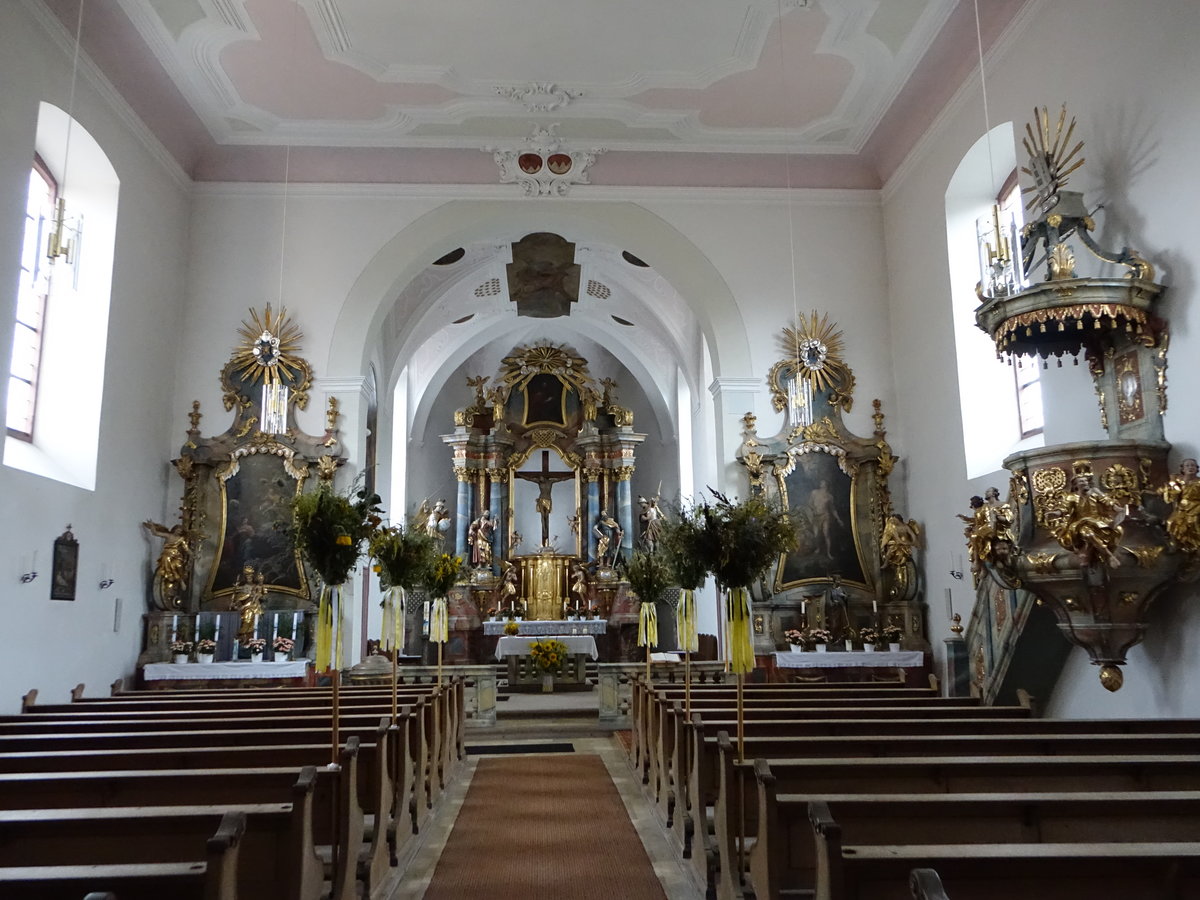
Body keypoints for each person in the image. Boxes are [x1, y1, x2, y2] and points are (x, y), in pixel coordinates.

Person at [1047, 472, 1124, 567]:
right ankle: (1109, 556)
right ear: (1076, 485)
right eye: (1081, 481)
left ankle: (1095, 553)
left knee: (1119, 530)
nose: (1084, 482)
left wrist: (1118, 509)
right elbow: (1064, 508)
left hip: (1099, 521)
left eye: (1085, 480)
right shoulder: (1071, 497)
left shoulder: (1095, 492)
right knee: (1087, 533)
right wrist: (1056, 513)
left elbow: (1107, 501)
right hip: (1081, 523)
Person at [143, 519, 192, 610]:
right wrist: (152, 527)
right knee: (167, 559)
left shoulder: (181, 539)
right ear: (174, 529)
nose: (179, 531)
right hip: (167, 555)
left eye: (180, 531)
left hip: (177, 557)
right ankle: (179, 581)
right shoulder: (168, 535)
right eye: (177, 529)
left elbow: (186, 549)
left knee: (178, 565)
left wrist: (193, 554)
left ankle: (180, 580)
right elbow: (156, 533)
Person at [1162, 458, 1200, 553]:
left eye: (1193, 465)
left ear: (1197, 469)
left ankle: (1195, 546)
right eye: (1187, 466)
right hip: (1182, 507)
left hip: (1196, 506)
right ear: (1182, 469)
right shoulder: (1179, 481)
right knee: (1171, 522)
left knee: (1192, 523)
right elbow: (1172, 495)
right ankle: (1176, 545)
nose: (1190, 467)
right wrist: (1171, 485)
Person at [809, 478, 846, 560]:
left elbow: (833, 509)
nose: (822, 484)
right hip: (816, 516)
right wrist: (813, 509)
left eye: (824, 483)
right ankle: (818, 548)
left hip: (825, 516)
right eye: (821, 483)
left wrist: (838, 519)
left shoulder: (829, 496)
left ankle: (829, 553)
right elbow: (810, 503)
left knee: (826, 534)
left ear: (826, 485)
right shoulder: (814, 493)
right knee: (816, 535)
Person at [232, 564, 266, 644]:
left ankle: (252, 640)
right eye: (247, 577)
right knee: (247, 621)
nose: (249, 578)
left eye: (250, 576)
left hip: (255, 606)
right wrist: (238, 601)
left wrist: (258, 595)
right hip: (247, 607)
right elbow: (239, 598)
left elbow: (263, 597)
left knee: (255, 624)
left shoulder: (257, 586)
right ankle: (243, 636)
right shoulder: (245, 587)